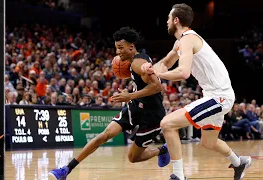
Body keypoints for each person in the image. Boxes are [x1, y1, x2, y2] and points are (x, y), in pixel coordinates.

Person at [141, 3, 252, 180]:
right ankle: (240, 162)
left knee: (167, 124)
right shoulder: (181, 42)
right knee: (209, 142)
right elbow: (167, 62)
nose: (166, 21)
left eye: (169, 18)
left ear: (176, 20)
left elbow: (183, 72)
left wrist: (159, 73)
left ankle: (178, 175)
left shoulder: (188, 39)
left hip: (219, 97)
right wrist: (149, 70)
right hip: (215, 96)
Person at [49, 27, 170, 180]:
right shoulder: (137, 59)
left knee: (133, 158)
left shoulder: (137, 63)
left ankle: (162, 150)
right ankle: (66, 169)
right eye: (116, 48)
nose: (118, 52)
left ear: (131, 46)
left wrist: (130, 95)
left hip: (152, 115)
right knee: (104, 135)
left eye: (120, 48)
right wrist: (132, 95)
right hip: (135, 107)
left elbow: (157, 87)